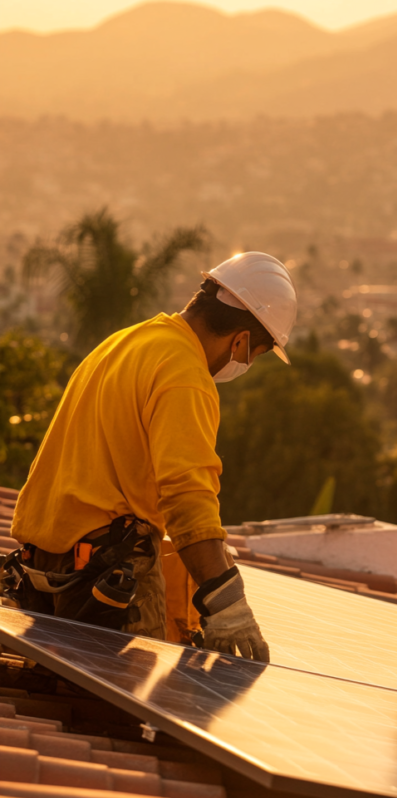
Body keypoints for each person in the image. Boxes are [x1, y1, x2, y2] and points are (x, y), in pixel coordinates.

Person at [4, 252, 297, 662]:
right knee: (118, 721)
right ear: (241, 341)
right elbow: (187, 495)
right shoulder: (185, 374)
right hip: (108, 581)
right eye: (256, 354)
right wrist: (226, 601)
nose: (245, 363)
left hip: (43, 567)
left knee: (64, 706)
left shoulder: (127, 342)